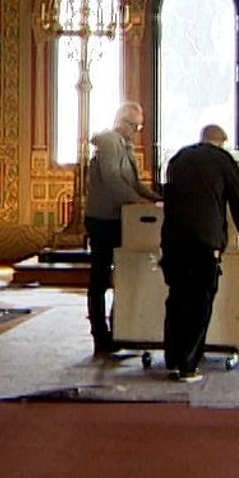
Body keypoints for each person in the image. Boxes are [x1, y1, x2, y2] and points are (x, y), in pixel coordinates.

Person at [158, 125, 239, 382]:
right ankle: (188, 366)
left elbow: (168, 196)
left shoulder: (179, 158)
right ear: (221, 143)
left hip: (172, 240)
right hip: (204, 241)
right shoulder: (224, 161)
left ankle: (173, 357)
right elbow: (238, 203)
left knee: (177, 297)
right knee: (200, 301)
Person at [85, 101, 159, 356]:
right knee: (100, 277)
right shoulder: (107, 141)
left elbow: (135, 183)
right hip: (102, 220)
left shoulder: (125, 147)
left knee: (122, 274)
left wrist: (156, 199)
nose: (137, 132)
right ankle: (100, 334)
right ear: (123, 122)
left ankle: (120, 329)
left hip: (121, 220)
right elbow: (112, 177)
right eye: (136, 126)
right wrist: (135, 200)